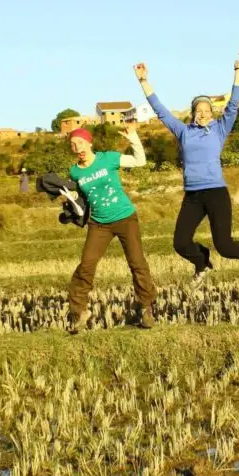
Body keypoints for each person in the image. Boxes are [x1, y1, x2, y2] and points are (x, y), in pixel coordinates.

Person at [133, 51, 239, 288]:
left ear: (212, 114)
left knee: (224, 246)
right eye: (198, 110)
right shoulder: (184, 131)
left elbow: (233, 106)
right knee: (180, 243)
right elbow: (161, 111)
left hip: (216, 192)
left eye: (207, 110)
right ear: (193, 113)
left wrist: (238, 72)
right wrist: (144, 81)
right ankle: (202, 263)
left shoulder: (219, 129)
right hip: (193, 195)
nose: (203, 113)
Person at [65, 126, 157, 334]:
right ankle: (79, 312)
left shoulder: (108, 158)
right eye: (73, 144)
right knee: (86, 266)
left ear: (89, 143)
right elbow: (82, 199)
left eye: (80, 142)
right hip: (98, 224)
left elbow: (139, 161)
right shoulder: (75, 171)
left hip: (125, 217)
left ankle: (145, 307)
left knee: (137, 262)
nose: (77, 146)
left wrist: (133, 138)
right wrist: (71, 208)